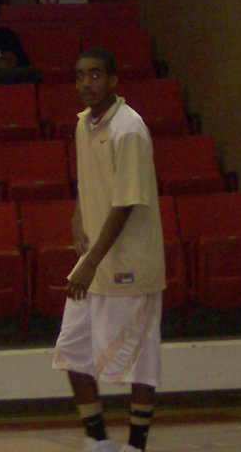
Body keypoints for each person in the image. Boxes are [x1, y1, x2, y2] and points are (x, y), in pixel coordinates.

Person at [53, 48, 164, 452]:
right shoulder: (84, 124)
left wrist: (90, 261)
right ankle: (98, 440)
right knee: (71, 352)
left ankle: (136, 446)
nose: (86, 83)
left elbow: (126, 201)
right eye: (80, 76)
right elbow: (90, 182)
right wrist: (77, 214)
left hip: (130, 261)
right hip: (94, 262)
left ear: (114, 80)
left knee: (141, 361)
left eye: (96, 75)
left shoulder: (129, 127)